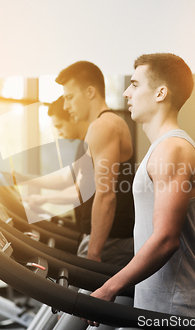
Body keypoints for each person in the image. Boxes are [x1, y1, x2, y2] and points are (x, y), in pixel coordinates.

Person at [87, 53, 195, 323]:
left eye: (134, 84)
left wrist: (109, 288)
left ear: (160, 93)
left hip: (177, 307)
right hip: (162, 304)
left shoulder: (172, 149)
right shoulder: (164, 148)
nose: (125, 93)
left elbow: (166, 239)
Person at [55, 61, 135, 267]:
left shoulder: (104, 125)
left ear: (90, 92)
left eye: (70, 97)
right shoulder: (102, 126)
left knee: (75, 299)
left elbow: (106, 195)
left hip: (109, 241)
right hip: (104, 238)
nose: (65, 106)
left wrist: (93, 254)